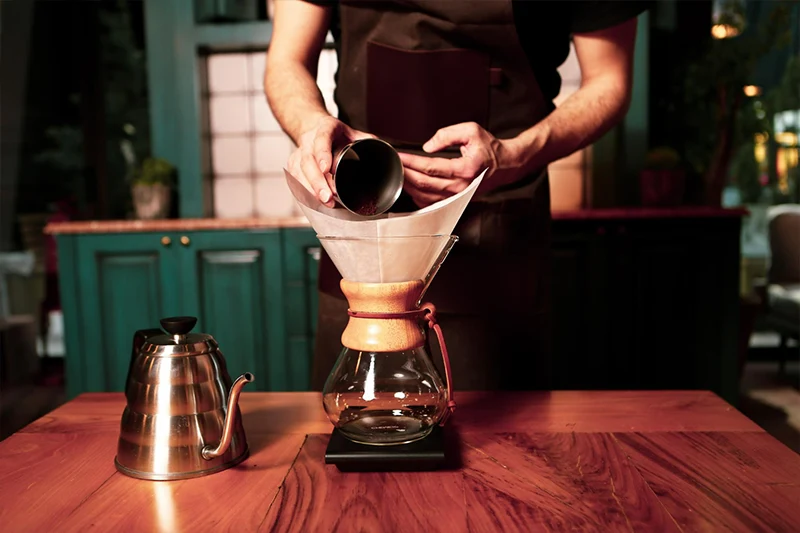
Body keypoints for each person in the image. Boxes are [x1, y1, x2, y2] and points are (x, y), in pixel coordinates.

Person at [265, 0, 650, 391]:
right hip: (360, 227)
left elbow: (609, 80)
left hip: (495, 224)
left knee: (502, 438)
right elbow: (286, 62)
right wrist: (311, 124)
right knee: (356, 417)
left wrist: (514, 156)